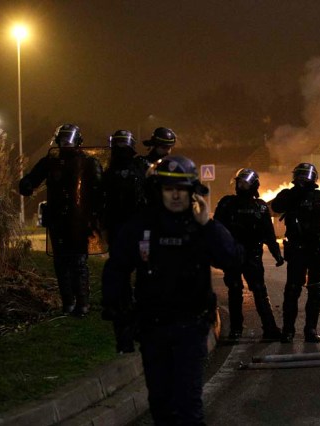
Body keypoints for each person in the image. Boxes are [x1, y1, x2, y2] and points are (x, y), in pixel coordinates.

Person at [101, 155, 242, 425]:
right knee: (161, 403)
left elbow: (232, 259)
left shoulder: (200, 226)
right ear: (158, 190)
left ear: (192, 192)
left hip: (191, 327)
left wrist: (208, 225)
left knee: (187, 404)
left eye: (182, 189)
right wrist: (120, 314)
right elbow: (116, 268)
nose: (176, 195)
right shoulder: (141, 227)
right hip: (153, 327)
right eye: (169, 189)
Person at [19, 124, 103, 316]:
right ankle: (68, 302)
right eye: (63, 140)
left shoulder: (89, 163)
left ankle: (82, 303)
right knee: (61, 262)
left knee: (78, 262)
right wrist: (27, 184)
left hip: (80, 220)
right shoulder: (51, 161)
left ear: (78, 142)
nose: (66, 144)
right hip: (58, 219)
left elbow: (99, 191)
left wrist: (95, 216)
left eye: (69, 140)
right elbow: (33, 178)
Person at [271, 163, 320, 343]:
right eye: (300, 175)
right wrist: (295, 193)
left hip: (316, 251)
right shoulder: (288, 195)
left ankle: (311, 329)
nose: (302, 178)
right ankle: (288, 330)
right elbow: (276, 207)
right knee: (292, 291)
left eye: (305, 175)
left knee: (316, 290)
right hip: (296, 250)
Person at [214, 168, 284, 340]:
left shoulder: (260, 207)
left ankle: (269, 328)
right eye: (240, 183)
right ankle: (236, 330)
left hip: (252, 255)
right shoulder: (227, 204)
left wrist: (277, 254)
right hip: (232, 255)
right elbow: (215, 230)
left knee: (259, 291)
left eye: (245, 183)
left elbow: (268, 233)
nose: (242, 186)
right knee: (235, 290)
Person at [102, 130, 147, 247]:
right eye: (119, 144)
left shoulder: (140, 165)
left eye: (124, 144)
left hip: (135, 217)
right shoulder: (107, 168)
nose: (121, 147)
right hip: (114, 219)